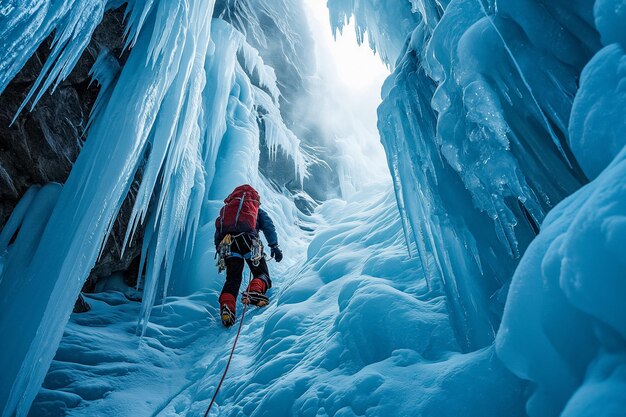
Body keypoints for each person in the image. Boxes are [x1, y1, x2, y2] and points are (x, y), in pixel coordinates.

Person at [214, 184, 283, 327]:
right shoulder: (256, 210)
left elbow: (218, 231)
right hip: (250, 243)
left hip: (229, 244)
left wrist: (221, 252)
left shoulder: (227, 211)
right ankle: (254, 291)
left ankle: (227, 307)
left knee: (232, 278)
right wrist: (274, 246)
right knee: (261, 274)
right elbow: (269, 226)